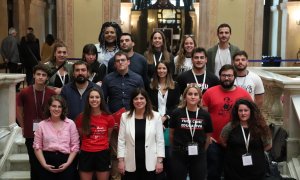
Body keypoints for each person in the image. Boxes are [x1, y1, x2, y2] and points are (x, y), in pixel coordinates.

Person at [202, 64, 252, 180]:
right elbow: (202, 116)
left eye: (229, 75)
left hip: (236, 140)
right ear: (219, 76)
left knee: (234, 173)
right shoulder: (210, 92)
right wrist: (206, 135)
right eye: (224, 75)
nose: (226, 78)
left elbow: (251, 114)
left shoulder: (243, 94)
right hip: (214, 141)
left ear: (234, 77)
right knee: (213, 173)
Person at [101, 51, 144, 180]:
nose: (120, 62)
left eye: (123, 60)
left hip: (134, 121)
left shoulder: (137, 78)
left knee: (135, 152)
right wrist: (110, 120)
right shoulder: (108, 79)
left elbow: (143, 100)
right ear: (114, 64)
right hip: (114, 124)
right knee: (116, 155)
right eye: (118, 60)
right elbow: (103, 101)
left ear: (128, 62)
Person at [16, 64, 56, 180]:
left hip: (48, 134)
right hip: (30, 133)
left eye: (44, 75)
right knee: (34, 164)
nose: (40, 77)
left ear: (47, 78)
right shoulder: (24, 92)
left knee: (46, 162)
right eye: (38, 74)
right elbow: (18, 111)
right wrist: (23, 127)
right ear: (33, 75)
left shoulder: (51, 93)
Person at [117, 88, 165, 180]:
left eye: (142, 98)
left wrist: (160, 161)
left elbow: (160, 141)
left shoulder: (156, 116)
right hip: (130, 163)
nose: (139, 101)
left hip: (151, 163)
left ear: (146, 100)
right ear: (132, 101)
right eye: (136, 98)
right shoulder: (125, 116)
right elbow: (121, 140)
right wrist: (121, 161)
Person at [220, 99, 272, 180]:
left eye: (246, 110)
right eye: (240, 111)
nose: (243, 113)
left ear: (251, 111)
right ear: (237, 112)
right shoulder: (229, 127)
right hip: (234, 169)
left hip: (256, 169)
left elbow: (268, 145)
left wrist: (254, 152)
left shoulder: (261, 127)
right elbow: (223, 141)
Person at [169, 84, 213, 180]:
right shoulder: (176, 113)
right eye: (190, 94)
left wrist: (201, 150)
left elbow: (208, 137)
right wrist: (177, 148)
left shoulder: (205, 115)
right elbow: (171, 134)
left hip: (199, 153)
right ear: (184, 96)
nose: (193, 97)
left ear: (200, 97)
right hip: (179, 153)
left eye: (196, 94)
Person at [33, 95, 80, 180]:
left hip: (66, 161)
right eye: (54, 106)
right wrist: (44, 164)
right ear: (49, 108)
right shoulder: (41, 125)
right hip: (47, 162)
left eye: (59, 106)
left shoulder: (70, 124)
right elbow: (37, 146)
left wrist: (68, 163)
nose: (56, 109)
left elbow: (75, 145)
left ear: (62, 109)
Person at [148, 61, 180, 180]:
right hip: (153, 121)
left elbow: (177, 105)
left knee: (169, 156)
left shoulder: (175, 85)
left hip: (170, 123)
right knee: (155, 155)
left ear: (168, 70)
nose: (161, 70)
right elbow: (149, 104)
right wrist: (157, 120)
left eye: (164, 68)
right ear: (156, 71)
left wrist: (165, 117)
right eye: (159, 68)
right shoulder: (151, 85)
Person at [75, 88, 114, 180]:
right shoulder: (81, 117)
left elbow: (108, 137)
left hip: (102, 154)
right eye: (91, 97)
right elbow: (81, 136)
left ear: (101, 99)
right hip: (86, 153)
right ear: (88, 99)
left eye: (97, 97)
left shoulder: (109, 117)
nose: (94, 99)